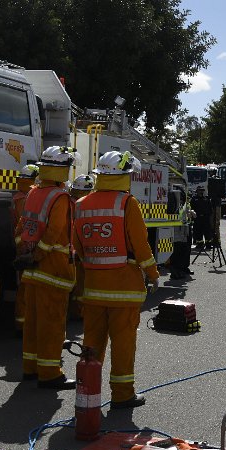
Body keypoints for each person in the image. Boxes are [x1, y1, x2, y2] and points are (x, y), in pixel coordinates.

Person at [73, 150, 159, 409]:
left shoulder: (80, 204)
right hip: (124, 290)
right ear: (123, 176)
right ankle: (122, 395)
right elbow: (140, 245)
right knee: (123, 345)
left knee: (92, 345)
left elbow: (77, 246)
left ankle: (88, 392)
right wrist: (153, 274)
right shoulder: (126, 203)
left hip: (93, 290)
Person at [15, 146, 77, 390]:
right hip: (52, 270)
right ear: (62, 170)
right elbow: (53, 233)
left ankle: (30, 368)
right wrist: (39, 254)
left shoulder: (34, 193)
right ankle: (50, 373)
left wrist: (26, 254)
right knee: (51, 323)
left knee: (32, 322)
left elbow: (22, 227)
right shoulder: (59, 197)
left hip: (31, 270)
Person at [13, 164, 38, 334]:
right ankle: (24, 325)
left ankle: (22, 323)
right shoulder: (27, 198)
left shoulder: (19, 196)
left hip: (22, 245)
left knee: (24, 286)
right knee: (27, 288)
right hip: (27, 247)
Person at [68, 174, 95, 319]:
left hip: (71, 248)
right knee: (80, 282)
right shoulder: (83, 204)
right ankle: (79, 311)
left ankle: (75, 308)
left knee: (75, 282)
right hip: (77, 248)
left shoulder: (68, 202)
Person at [169, 188, 195, 279]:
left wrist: (191, 213)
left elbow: (186, 213)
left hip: (184, 229)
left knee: (185, 250)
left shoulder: (185, 204)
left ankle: (183, 268)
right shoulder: (175, 204)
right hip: (177, 229)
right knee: (176, 250)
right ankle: (175, 271)